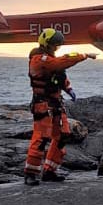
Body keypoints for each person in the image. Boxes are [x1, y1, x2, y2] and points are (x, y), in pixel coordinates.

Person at [24, 28, 96, 186]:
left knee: (62, 136)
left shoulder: (49, 60)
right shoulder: (39, 59)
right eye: (54, 45)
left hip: (56, 103)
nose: (56, 48)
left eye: (57, 45)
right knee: (41, 138)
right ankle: (31, 173)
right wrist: (83, 55)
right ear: (47, 44)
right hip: (43, 105)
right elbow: (59, 63)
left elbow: (59, 75)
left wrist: (68, 88)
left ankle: (50, 171)